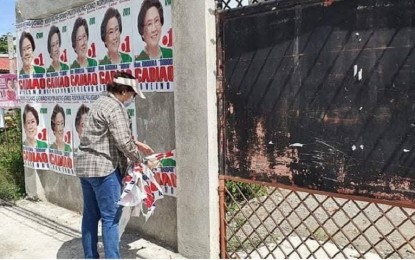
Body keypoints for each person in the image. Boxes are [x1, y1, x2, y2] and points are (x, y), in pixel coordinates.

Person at [74, 71, 153, 259]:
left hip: (85, 168)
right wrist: (142, 160)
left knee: (91, 216)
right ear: (125, 91)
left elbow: (108, 134)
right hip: (103, 169)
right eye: (133, 94)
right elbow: (123, 143)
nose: (132, 98)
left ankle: (90, 256)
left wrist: (137, 144)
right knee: (111, 219)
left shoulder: (100, 101)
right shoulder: (116, 108)